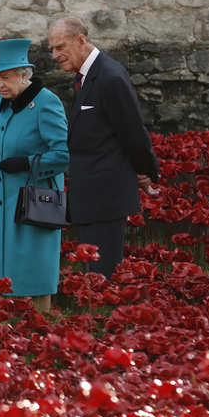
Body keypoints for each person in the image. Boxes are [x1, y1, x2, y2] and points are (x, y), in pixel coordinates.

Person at [47, 17, 160, 278]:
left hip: (106, 198)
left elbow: (133, 132)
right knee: (93, 277)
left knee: (102, 277)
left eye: (60, 47)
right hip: (90, 196)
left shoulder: (110, 76)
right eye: (52, 49)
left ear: (81, 40)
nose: (55, 55)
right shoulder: (87, 76)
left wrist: (146, 171)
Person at [0, 39, 69, 313]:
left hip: (34, 200)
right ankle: (7, 329)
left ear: (23, 74)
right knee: (3, 268)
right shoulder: (1, 101)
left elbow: (65, 153)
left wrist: (27, 163)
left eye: (5, 78)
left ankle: (39, 329)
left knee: (34, 268)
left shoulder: (46, 103)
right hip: (0, 200)